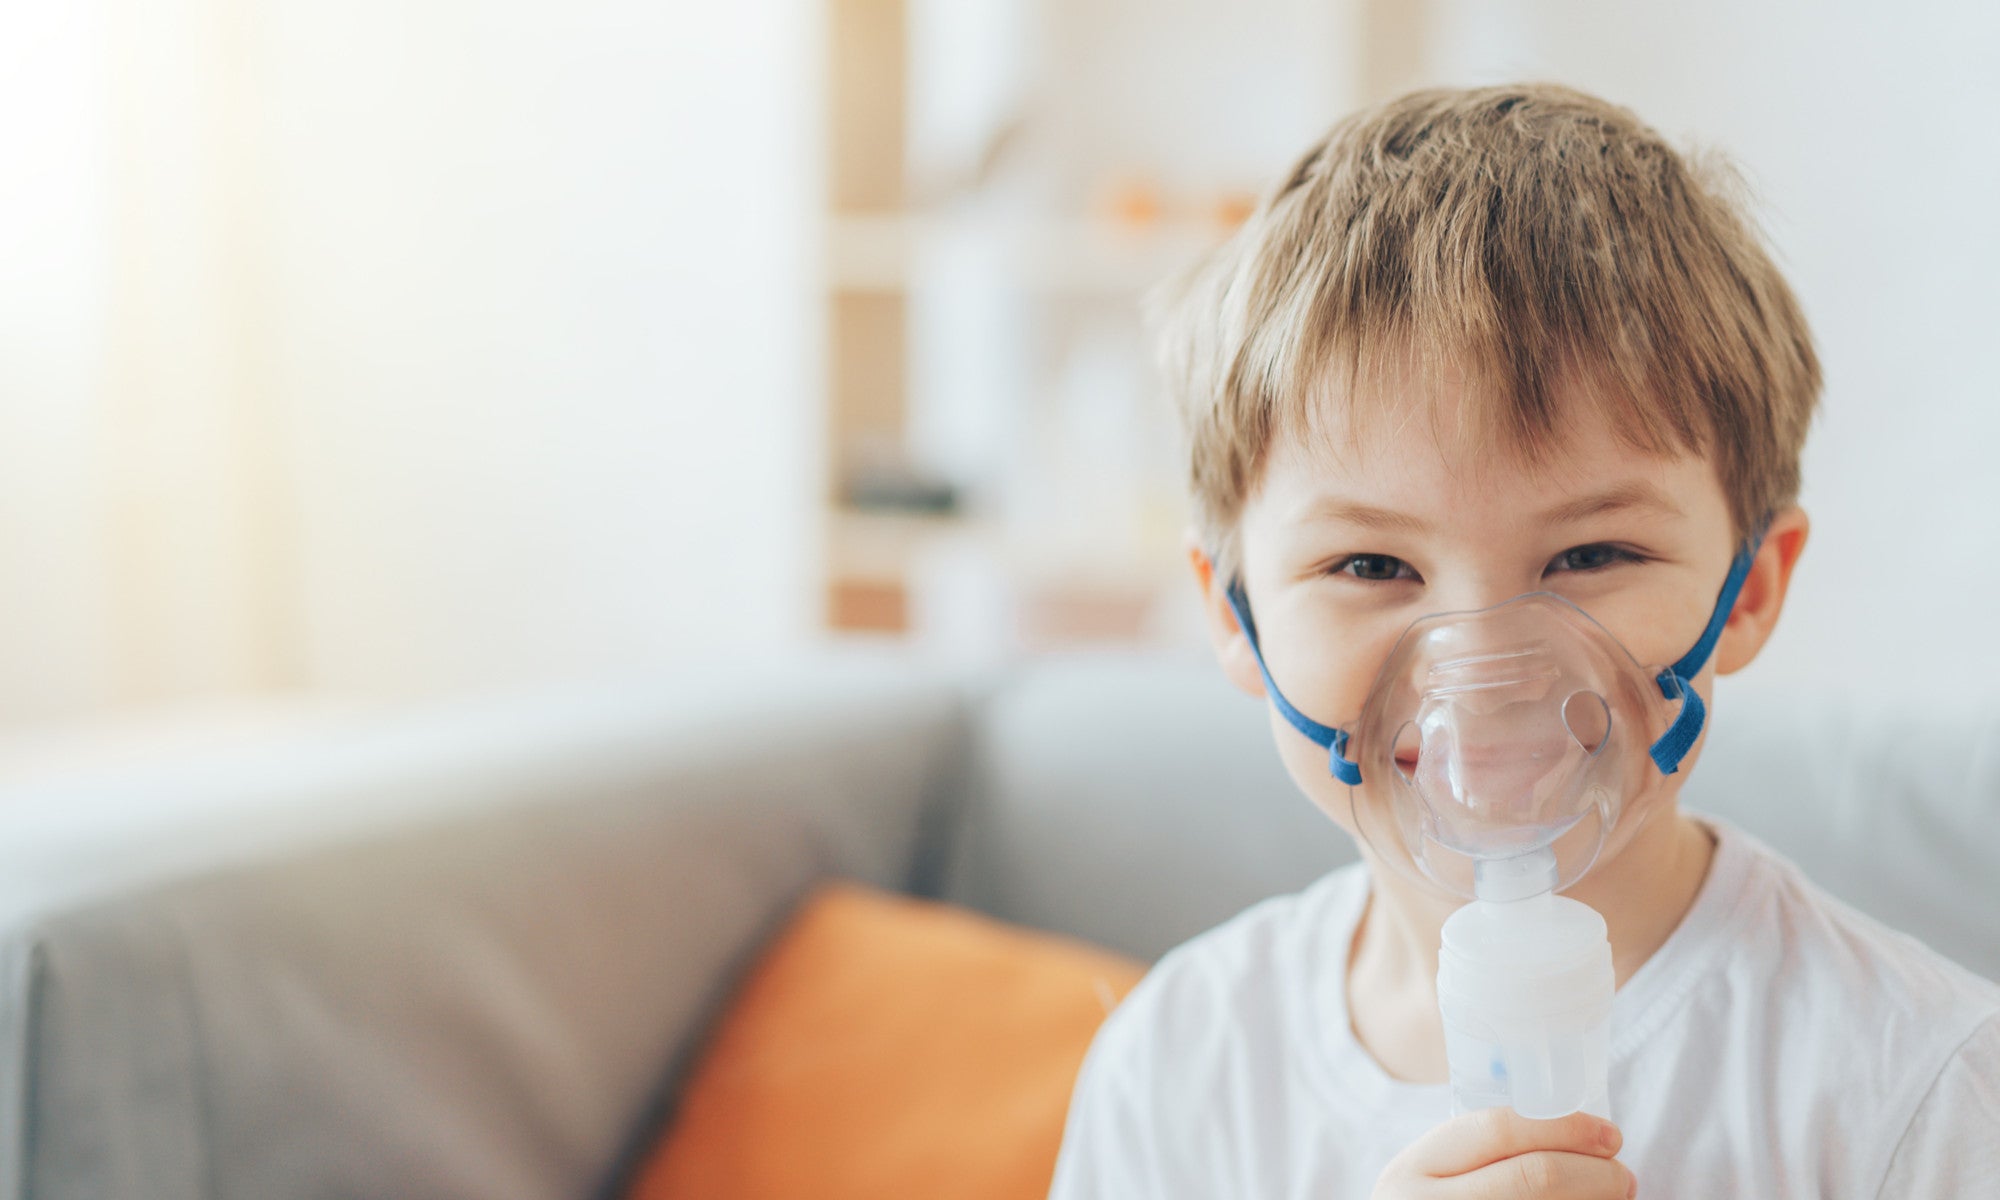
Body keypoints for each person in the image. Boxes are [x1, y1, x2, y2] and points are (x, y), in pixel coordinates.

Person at [1048, 83, 2000, 1198]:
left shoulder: (1909, 1087)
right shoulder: (1180, 1069)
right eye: (1370, 567)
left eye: (1589, 557)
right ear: (1232, 613)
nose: (1484, 676)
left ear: (1746, 592)